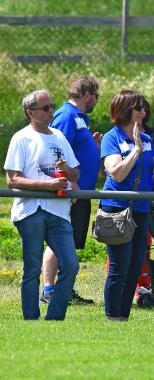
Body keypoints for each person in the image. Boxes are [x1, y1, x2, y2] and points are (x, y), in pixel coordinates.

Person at [100, 90, 154, 322]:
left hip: (142, 210)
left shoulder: (147, 140)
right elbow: (116, 173)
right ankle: (112, 317)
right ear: (124, 110)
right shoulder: (111, 138)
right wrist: (135, 150)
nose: (143, 112)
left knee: (135, 268)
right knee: (119, 268)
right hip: (117, 209)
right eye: (138, 108)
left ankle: (122, 317)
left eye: (144, 108)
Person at [4, 89, 80, 320]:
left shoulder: (59, 136)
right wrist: (47, 185)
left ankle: (55, 317)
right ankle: (31, 317)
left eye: (52, 106)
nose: (51, 112)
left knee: (71, 265)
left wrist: (68, 171)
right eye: (46, 108)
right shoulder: (21, 138)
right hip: (31, 211)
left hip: (59, 211)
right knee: (32, 269)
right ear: (30, 112)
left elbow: (75, 174)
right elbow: (12, 179)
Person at [40, 76, 101, 305]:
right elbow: (54, 149)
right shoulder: (67, 116)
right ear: (87, 95)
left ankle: (64, 289)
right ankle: (49, 290)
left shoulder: (79, 118)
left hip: (79, 192)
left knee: (69, 242)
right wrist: (68, 181)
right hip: (70, 191)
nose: (96, 100)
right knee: (59, 241)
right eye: (96, 95)